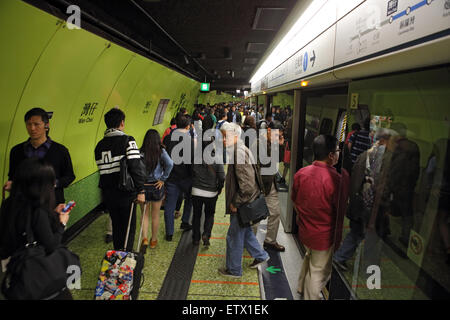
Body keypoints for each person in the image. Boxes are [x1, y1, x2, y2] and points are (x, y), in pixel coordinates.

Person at [0, 158, 75, 300]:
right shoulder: (38, 210)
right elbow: (52, 245)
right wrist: (62, 223)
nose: (53, 185)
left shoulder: (8, 205)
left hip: (16, 276)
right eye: (50, 181)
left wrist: (52, 213)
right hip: (40, 278)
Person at [291, 135, 349, 300]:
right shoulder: (336, 179)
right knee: (318, 272)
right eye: (337, 151)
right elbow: (340, 212)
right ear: (331, 155)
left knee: (310, 257)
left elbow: (294, 200)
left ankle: (301, 285)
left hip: (305, 230)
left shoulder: (301, 173)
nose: (338, 154)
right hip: (323, 236)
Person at [333, 128, 392, 271]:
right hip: (370, 206)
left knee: (357, 232)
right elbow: (382, 185)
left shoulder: (364, 155)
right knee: (367, 234)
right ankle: (366, 264)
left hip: (358, 203)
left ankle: (343, 257)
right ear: (384, 141)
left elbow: (354, 181)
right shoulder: (384, 158)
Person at [218, 122, 269, 278]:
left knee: (233, 236)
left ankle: (234, 270)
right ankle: (261, 256)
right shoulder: (240, 149)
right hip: (246, 202)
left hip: (242, 203)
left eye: (225, 137)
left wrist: (235, 203)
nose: (223, 140)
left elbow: (246, 185)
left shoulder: (238, 153)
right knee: (245, 232)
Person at [95, 108, 146, 251]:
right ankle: (126, 263)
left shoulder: (99, 146)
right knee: (128, 228)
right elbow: (136, 166)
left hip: (108, 194)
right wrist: (141, 189)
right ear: (122, 123)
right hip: (125, 194)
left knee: (117, 228)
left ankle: (117, 257)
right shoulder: (128, 140)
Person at [4, 108, 75, 205]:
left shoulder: (60, 151)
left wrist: (54, 183)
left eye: (36, 124)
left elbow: (69, 176)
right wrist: (11, 184)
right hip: (23, 205)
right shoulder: (16, 151)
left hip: (51, 204)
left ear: (46, 125)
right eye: (29, 124)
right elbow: (12, 176)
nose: (32, 128)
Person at [253, 124, 286, 252]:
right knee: (257, 216)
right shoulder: (258, 144)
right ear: (268, 131)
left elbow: (279, 160)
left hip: (271, 184)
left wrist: (280, 145)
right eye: (276, 135)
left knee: (275, 212)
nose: (278, 138)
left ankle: (270, 240)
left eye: (280, 136)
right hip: (259, 186)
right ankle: (255, 243)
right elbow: (254, 167)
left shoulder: (272, 144)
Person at [140, 129, 173, 250]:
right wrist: (163, 179)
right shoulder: (161, 151)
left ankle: (144, 238)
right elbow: (170, 164)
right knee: (155, 215)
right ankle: (153, 240)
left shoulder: (140, 152)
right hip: (156, 186)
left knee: (144, 215)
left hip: (143, 186)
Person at [163, 115, 195, 241]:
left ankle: (169, 233)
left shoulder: (167, 139)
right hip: (187, 178)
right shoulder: (190, 141)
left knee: (169, 206)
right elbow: (192, 162)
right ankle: (185, 221)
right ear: (188, 126)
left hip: (171, 178)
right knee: (189, 199)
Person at [191, 141, 225, 246]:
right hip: (211, 192)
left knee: (196, 215)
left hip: (196, 191)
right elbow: (222, 177)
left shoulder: (195, 158)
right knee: (209, 214)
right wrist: (219, 188)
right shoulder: (217, 159)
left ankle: (196, 238)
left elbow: (191, 172)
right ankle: (206, 234)